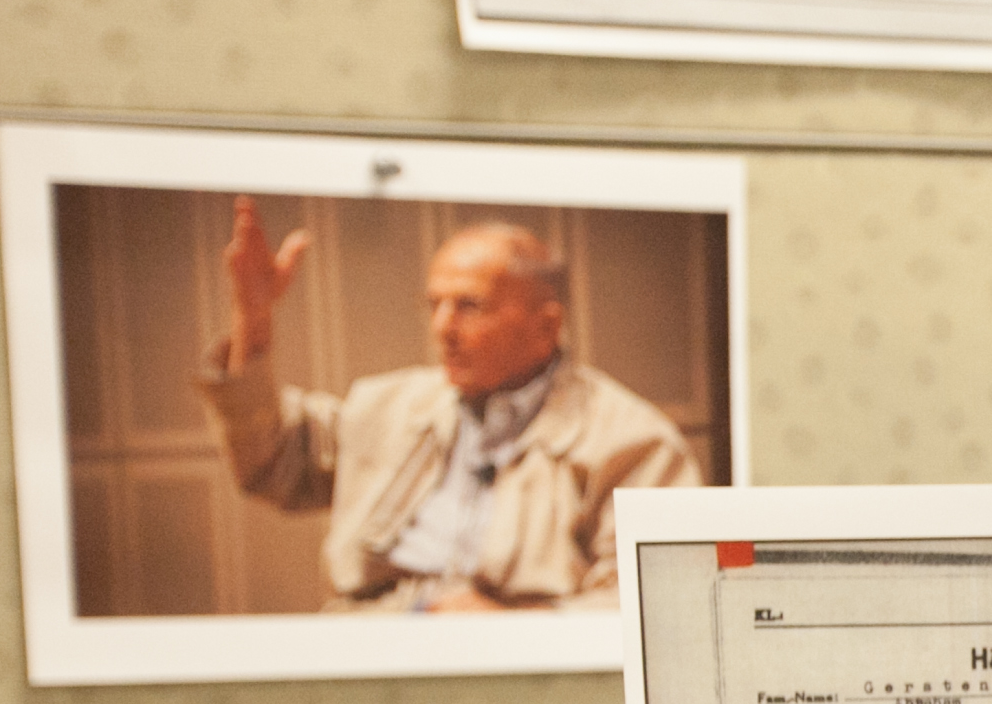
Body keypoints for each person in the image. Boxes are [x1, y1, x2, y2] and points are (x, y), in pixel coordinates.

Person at [192, 199, 702, 611]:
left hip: (521, 670)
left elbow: (656, 607)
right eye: (434, 304)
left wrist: (506, 629)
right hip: (370, 644)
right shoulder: (385, 407)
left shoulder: (632, 441)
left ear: (546, 325)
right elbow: (268, 459)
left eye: (469, 305)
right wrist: (253, 317)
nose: (442, 328)